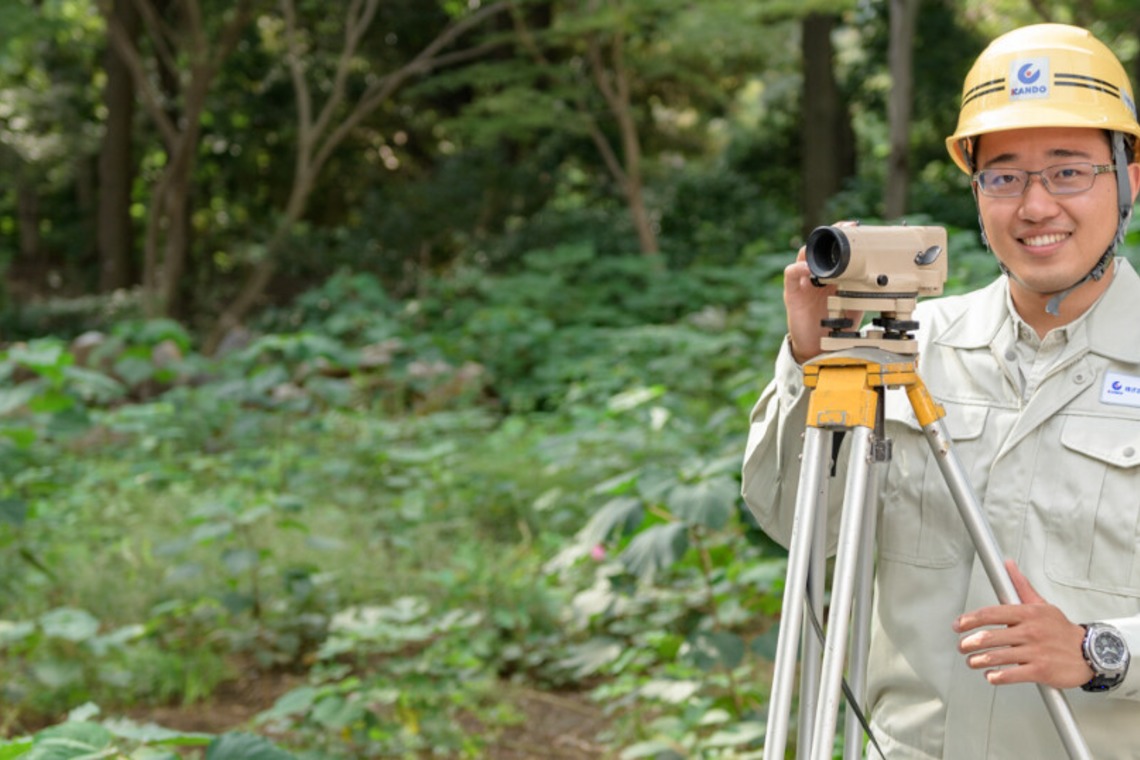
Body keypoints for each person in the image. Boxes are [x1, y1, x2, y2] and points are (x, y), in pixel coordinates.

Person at [742, 23, 1140, 759]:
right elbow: (794, 524)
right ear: (976, 191)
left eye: (1068, 171)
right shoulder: (907, 351)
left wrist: (1101, 649)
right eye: (1004, 175)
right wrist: (810, 360)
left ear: (1128, 178)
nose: (1035, 205)